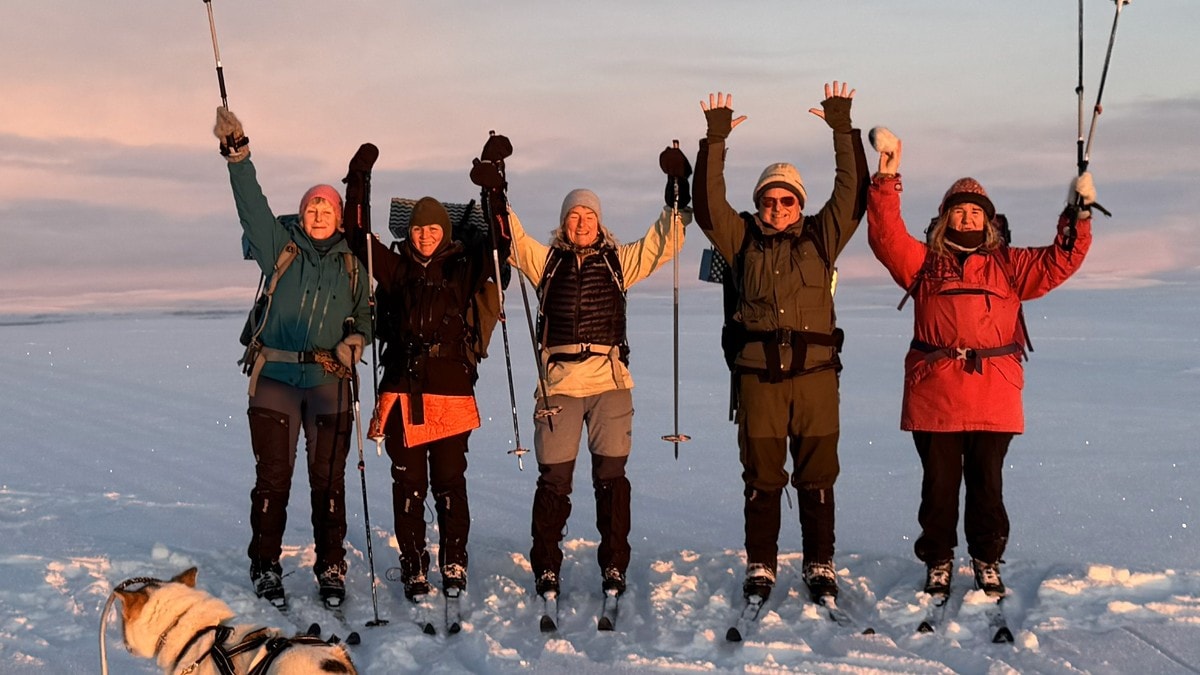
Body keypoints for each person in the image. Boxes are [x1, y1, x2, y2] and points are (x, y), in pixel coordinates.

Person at [865, 130, 1095, 598]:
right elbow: (886, 236)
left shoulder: (1009, 265)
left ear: (988, 221)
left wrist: (1079, 213)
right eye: (959, 209)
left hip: (994, 395)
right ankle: (939, 560)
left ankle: (987, 558)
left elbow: (1060, 260)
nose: (967, 216)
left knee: (987, 486)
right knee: (939, 489)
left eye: (975, 211)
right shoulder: (926, 264)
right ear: (944, 217)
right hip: (936, 395)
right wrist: (887, 174)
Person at [694, 83, 866, 603]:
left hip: (815, 380)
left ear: (800, 203)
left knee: (817, 477)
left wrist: (842, 129)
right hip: (760, 380)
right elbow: (707, 204)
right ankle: (762, 566)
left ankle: (819, 563)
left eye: (786, 199)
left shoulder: (822, 237)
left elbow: (852, 192)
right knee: (762, 478)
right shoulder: (740, 240)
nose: (777, 206)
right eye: (768, 199)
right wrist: (715, 138)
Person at [504, 148, 692, 601]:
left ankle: (614, 566)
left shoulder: (617, 261)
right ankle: (547, 567)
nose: (581, 222)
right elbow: (509, 236)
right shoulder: (545, 262)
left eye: (588, 215)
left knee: (612, 480)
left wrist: (677, 193)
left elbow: (663, 242)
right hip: (560, 385)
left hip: (609, 382)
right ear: (564, 222)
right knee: (554, 481)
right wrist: (496, 186)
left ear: (600, 221)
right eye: (574, 216)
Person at [213, 107, 371, 610]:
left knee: (329, 481)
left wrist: (357, 340)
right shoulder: (279, 248)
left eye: (326, 209)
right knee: (274, 479)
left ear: (339, 217)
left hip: (329, 381)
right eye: (311, 208)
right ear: (302, 215)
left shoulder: (353, 264)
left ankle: (330, 565)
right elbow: (252, 208)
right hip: (276, 376)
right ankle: (265, 565)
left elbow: (367, 317)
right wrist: (238, 153)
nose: (318, 215)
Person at [340, 146, 508, 602]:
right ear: (410, 233)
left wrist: (494, 186)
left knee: (451, 482)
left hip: (451, 390)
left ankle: (454, 561)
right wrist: (359, 180)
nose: (426, 235)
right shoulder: (395, 270)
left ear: (446, 231)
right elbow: (357, 237)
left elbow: (500, 247)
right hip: (403, 389)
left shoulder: (462, 266)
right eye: (418, 228)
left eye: (434, 228)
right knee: (408, 484)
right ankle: (414, 566)